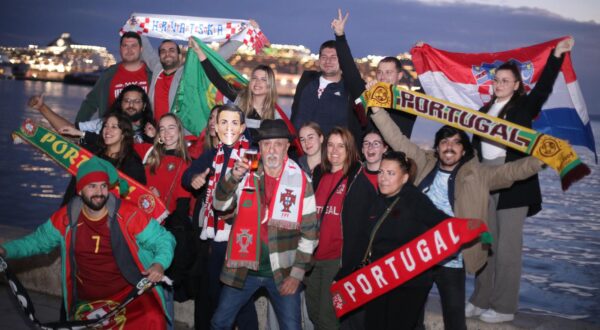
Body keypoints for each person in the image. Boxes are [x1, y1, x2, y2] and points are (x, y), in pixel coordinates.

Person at [369, 106, 545, 329]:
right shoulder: (424, 163)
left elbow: (510, 172)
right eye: (444, 142)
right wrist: (377, 111)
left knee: (454, 320)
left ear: (464, 150)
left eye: (455, 142)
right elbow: (397, 139)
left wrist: (540, 159)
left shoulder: (477, 174)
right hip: (417, 257)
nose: (449, 147)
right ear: (438, 147)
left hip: (452, 260)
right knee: (410, 319)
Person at [466, 37, 575, 323]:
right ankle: (480, 299)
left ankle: (503, 307)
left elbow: (544, 88)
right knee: (485, 241)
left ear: (516, 85)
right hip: (485, 181)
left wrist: (556, 56)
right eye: (497, 80)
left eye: (506, 80)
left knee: (507, 248)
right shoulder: (481, 112)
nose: (499, 84)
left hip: (514, 181)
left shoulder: (524, 107)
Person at [0, 157, 176, 329]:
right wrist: (6, 250)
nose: (99, 192)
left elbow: (164, 239)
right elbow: (37, 242)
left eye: (103, 186)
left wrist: (159, 263)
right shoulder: (66, 218)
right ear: (79, 190)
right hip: (88, 303)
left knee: (152, 318)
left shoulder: (129, 214)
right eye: (92, 186)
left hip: (130, 296)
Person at [210, 119, 318, 330]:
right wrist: (233, 176)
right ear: (259, 147)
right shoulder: (244, 172)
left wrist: (297, 274)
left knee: (292, 328)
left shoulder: (301, 180)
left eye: (278, 144)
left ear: (287, 147)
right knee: (219, 323)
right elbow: (219, 204)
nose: (272, 150)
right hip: (243, 267)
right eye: (266, 144)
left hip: (283, 272)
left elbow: (310, 233)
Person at [181, 104, 259, 329]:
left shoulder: (251, 153)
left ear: (242, 127)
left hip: (242, 236)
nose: (228, 128)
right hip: (216, 238)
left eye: (234, 123)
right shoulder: (212, 154)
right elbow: (187, 177)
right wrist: (195, 178)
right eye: (223, 122)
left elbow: (258, 188)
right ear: (215, 127)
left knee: (241, 301)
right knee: (214, 293)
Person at [363, 151, 449, 329]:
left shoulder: (416, 200)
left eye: (391, 173)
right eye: (381, 172)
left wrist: (469, 228)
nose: (383, 178)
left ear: (404, 178)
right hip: (379, 279)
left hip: (409, 284)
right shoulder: (379, 200)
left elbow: (443, 224)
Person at [305, 126, 361, 330]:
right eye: (330, 145)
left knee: (327, 318)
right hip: (313, 256)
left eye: (341, 146)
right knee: (313, 311)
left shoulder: (355, 179)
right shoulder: (320, 174)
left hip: (336, 259)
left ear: (349, 150)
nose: (334, 151)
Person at [135, 24, 248, 123]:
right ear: (159, 56)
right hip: (158, 131)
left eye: (171, 50)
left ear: (179, 56)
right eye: (163, 51)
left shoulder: (188, 72)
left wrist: (242, 35)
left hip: (183, 134)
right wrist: (135, 26)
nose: (167, 54)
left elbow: (216, 57)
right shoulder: (157, 69)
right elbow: (147, 50)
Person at [331, 9, 417, 137]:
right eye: (380, 72)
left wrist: (425, 56)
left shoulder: (408, 103)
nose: (383, 77)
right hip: (364, 155)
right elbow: (350, 72)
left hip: (395, 156)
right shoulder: (365, 95)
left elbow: (429, 87)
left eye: (388, 72)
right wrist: (340, 36)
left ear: (399, 76)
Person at [290, 10, 364, 140]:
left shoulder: (349, 89)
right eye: (324, 57)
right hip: (300, 153)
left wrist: (340, 35)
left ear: (341, 60)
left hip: (334, 156)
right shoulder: (307, 81)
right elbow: (295, 116)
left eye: (333, 57)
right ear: (318, 60)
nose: (328, 61)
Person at [188, 36, 280, 141]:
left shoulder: (274, 114)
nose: (257, 82)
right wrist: (199, 52)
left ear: (270, 86)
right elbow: (217, 80)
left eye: (263, 79)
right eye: (254, 78)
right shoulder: (240, 99)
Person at [145, 114, 194, 301]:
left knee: (165, 290)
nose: (167, 133)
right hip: (147, 228)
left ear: (180, 132)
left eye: (171, 127)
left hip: (169, 231)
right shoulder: (150, 161)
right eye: (162, 129)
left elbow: (181, 210)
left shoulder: (187, 163)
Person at [57, 112, 146, 206]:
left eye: (114, 127)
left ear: (124, 133)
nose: (107, 130)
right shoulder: (92, 152)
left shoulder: (132, 163)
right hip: (79, 209)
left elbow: (137, 195)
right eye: (106, 126)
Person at [30, 84, 155, 149]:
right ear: (120, 103)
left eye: (136, 101)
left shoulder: (152, 129)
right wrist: (43, 108)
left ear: (144, 105)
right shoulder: (105, 124)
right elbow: (70, 131)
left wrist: (153, 139)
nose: (131, 105)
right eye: (127, 101)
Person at [75, 31, 152, 123]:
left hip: (143, 133)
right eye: (125, 46)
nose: (129, 50)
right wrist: (78, 126)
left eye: (133, 46)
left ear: (141, 49)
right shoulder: (109, 75)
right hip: (113, 133)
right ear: (120, 49)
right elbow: (91, 102)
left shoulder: (151, 75)